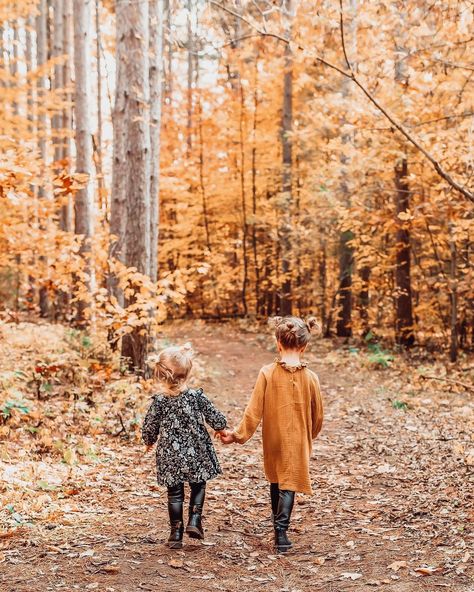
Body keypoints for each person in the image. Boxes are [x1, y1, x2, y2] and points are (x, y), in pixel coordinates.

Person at [219, 317, 323, 553]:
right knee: (290, 480)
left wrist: (236, 435)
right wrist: (311, 434)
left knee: (277, 478)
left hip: (273, 438)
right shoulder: (312, 378)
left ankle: (278, 529)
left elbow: (253, 411)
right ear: (305, 346)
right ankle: (281, 534)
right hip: (297, 439)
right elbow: (318, 415)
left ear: (278, 343)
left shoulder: (266, 372)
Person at [142, 343, 227, 549]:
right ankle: (195, 520)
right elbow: (214, 415)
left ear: (161, 375)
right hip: (196, 449)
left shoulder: (160, 401)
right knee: (199, 483)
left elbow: (150, 424)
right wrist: (221, 428)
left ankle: (176, 533)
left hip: (170, 454)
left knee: (175, 492)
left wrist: (149, 440)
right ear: (187, 373)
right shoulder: (196, 397)